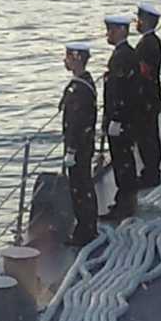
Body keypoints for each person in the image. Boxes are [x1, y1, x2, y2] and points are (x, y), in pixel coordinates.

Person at [99, 13, 140, 221]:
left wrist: (116, 119)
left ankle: (125, 203)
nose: (109, 34)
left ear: (123, 31)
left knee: (123, 161)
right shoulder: (124, 54)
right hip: (123, 118)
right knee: (123, 160)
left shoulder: (122, 57)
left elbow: (121, 91)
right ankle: (125, 199)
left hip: (122, 120)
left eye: (112, 30)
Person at [59, 42, 98, 248]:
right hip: (83, 143)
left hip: (79, 146)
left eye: (68, 57)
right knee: (83, 185)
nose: (65, 61)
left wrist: (72, 150)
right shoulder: (82, 83)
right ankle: (87, 226)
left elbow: (77, 121)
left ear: (77, 58)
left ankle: (85, 230)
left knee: (80, 187)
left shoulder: (80, 89)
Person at [133, 1, 161, 188]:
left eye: (139, 19)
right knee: (149, 134)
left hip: (146, 96)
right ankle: (151, 170)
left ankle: (151, 173)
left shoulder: (146, 44)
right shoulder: (152, 41)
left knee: (147, 136)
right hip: (151, 94)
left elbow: (143, 72)